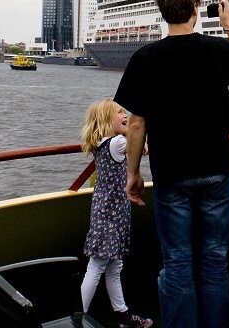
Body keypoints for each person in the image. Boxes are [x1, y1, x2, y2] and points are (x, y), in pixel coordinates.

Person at [114, 0, 229, 328]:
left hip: (171, 175)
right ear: (195, 10)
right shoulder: (219, 50)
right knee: (214, 260)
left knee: (177, 262)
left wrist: (133, 174)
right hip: (217, 171)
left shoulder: (146, 58)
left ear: (163, 12)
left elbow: (135, 124)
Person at [78, 100, 154, 328]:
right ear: (105, 121)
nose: (126, 115)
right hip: (111, 215)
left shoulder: (103, 143)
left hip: (108, 212)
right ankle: (77, 315)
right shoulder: (118, 142)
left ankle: (122, 314)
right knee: (97, 265)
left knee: (113, 266)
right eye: (119, 112)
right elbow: (140, 145)